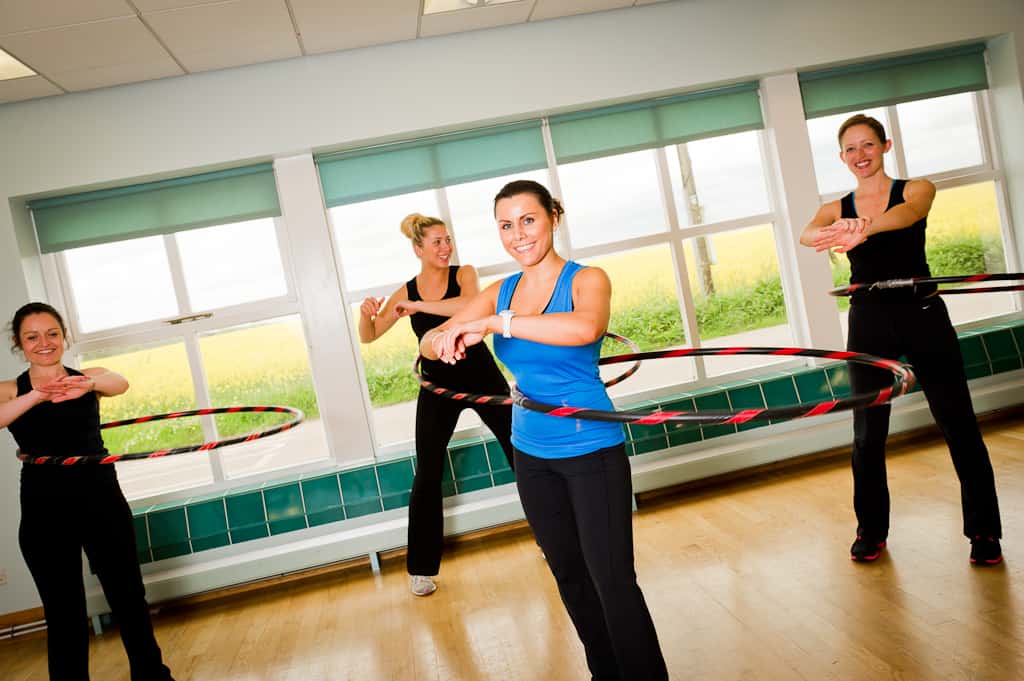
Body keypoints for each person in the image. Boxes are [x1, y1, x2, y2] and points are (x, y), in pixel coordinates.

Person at [421, 180, 668, 680]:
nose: (518, 234)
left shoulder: (586, 280)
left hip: (590, 449)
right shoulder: (501, 290)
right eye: (506, 225)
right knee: (571, 577)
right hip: (531, 453)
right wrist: (444, 340)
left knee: (612, 581)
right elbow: (428, 340)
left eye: (527, 220)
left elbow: (583, 329)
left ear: (554, 216)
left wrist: (496, 324)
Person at [800, 114, 1003, 566]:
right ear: (841, 157)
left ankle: (985, 533)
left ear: (885, 145)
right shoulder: (837, 207)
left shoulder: (916, 189)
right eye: (850, 149)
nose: (860, 156)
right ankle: (871, 531)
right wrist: (835, 231)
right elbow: (807, 233)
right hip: (870, 320)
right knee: (868, 434)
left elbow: (908, 215)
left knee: (959, 424)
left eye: (868, 145)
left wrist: (862, 228)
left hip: (923, 313)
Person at [0, 302, 175, 681]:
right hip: (44, 508)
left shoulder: (89, 377)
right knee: (64, 613)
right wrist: (38, 395)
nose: (44, 343)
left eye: (52, 333)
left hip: (101, 498)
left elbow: (120, 381)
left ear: (64, 336)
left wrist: (88, 385)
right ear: (19, 342)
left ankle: (151, 676)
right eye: (32, 336)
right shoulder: (10, 391)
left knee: (129, 598)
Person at [358, 213, 514, 597]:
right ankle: (421, 569)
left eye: (448, 240)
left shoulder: (464, 274)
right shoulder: (406, 291)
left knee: (521, 450)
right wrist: (364, 316)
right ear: (418, 249)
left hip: (480, 375)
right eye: (437, 242)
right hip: (437, 383)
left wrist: (416, 306)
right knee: (428, 471)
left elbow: (470, 305)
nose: (446, 248)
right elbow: (371, 335)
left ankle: (553, 537)